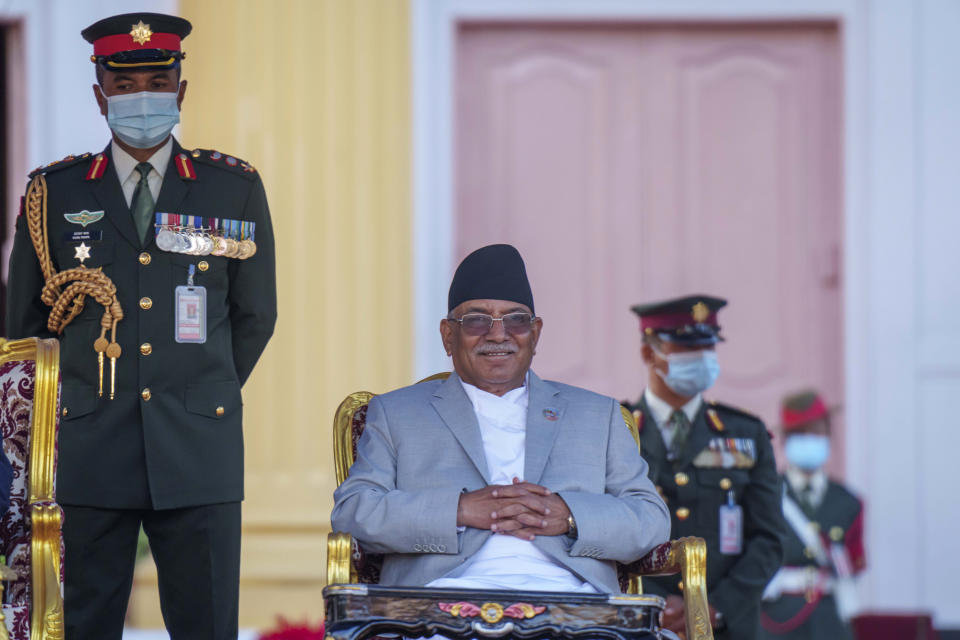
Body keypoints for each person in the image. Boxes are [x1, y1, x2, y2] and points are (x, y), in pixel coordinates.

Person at [4, 12, 276, 639]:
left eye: (157, 81)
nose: (142, 98)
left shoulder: (230, 188)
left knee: (205, 625)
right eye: (125, 86)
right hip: (89, 447)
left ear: (181, 89)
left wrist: (197, 386)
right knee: (84, 625)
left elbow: (255, 316)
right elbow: (26, 330)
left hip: (198, 448)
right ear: (100, 94)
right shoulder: (52, 193)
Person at [332, 244, 670, 595]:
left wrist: (569, 516)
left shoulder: (597, 414)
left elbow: (650, 519)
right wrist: (458, 510)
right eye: (477, 319)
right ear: (449, 335)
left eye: (516, 320)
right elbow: (355, 512)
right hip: (437, 603)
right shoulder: (396, 413)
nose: (497, 334)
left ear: (535, 333)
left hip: (575, 604)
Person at [624, 295, 784, 639]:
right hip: (641, 622)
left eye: (708, 350)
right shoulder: (616, 432)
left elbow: (768, 539)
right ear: (648, 354)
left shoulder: (746, 433)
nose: (702, 361)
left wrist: (713, 606)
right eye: (685, 350)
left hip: (727, 626)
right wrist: (657, 603)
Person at [759, 391, 865, 639]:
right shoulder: (764, 495)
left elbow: (855, 561)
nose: (809, 440)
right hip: (776, 616)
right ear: (785, 440)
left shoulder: (849, 502)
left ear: (829, 435)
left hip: (828, 618)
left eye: (815, 432)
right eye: (799, 433)